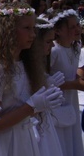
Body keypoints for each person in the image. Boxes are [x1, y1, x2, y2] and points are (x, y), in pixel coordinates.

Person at [0, 3, 64, 155]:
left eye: (33, 28)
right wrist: (31, 106)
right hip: (6, 143)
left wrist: (44, 100)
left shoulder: (26, 64)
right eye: (27, 28)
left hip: (25, 139)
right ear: (8, 31)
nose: (33, 35)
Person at [49, 9, 84, 156]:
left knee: (73, 134)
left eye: (78, 25)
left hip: (72, 99)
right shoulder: (54, 51)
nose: (77, 29)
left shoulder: (76, 47)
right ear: (58, 31)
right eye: (72, 27)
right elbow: (45, 80)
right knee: (61, 137)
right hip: (57, 100)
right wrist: (73, 85)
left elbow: (75, 70)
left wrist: (77, 79)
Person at [33, 17, 65, 156]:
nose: (52, 45)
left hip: (45, 122)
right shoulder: (27, 66)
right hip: (33, 125)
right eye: (48, 41)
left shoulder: (40, 62)